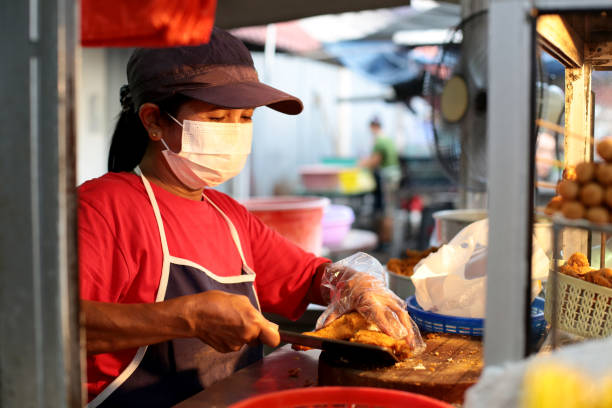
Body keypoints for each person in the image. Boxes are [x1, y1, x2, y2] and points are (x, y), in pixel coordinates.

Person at [79, 27, 419, 407]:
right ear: (154, 120)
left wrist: (356, 285)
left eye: (245, 117)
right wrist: (185, 318)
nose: (236, 132)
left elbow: (309, 276)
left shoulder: (228, 217)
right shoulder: (102, 208)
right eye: (219, 117)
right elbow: (48, 328)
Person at [359, 117, 400, 244]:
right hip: (394, 177)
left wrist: (360, 164)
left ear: (374, 127)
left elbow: (374, 161)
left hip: (388, 178)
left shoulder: (380, 142)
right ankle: (386, 239)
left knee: (387, 210)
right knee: (389, 208)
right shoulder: (388, 139)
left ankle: (385, 240)